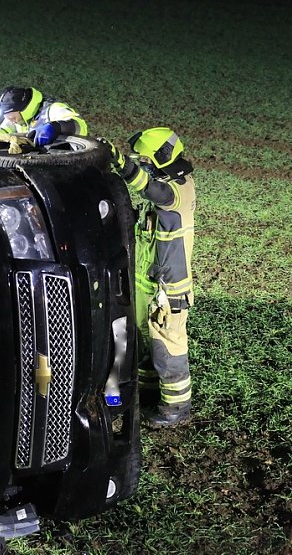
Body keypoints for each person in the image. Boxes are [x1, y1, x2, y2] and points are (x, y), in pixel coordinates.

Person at [107, 127, 196, 428]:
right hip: (149, 284)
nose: (143, 165)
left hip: (169, 290)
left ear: (162, 157)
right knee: (146, 342)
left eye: (145, 160)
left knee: (167, 347)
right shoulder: (165, 188)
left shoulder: (178, 190)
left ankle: (176, 407)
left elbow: (152, 190)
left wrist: (123, 165)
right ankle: (147, 393)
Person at [0, 86, 88, 146]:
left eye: (11, 115)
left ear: (23, 109)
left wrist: (56, 127)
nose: (9, 119)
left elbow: (80, 126)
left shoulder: (53, 109)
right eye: (6, 116)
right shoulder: (16, 119)